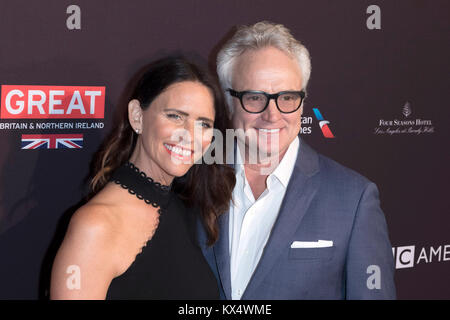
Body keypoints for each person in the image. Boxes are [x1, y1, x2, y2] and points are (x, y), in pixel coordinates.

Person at [198, 21, 396, 299]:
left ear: (302, 102)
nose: (272, 115)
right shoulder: (194, 181)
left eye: (287, 97)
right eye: (255, 98)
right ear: (228, 102)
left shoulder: (353, 200)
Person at [50, 56, 235, 299]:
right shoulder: (95, 226)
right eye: (175, 116)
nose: (189, 135)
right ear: (137, 116)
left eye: (203, 124)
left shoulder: (188, 209)